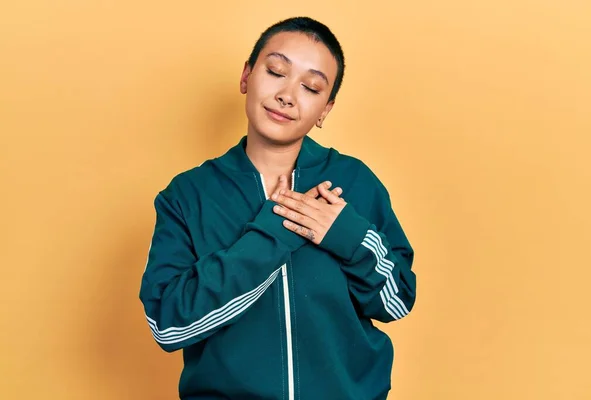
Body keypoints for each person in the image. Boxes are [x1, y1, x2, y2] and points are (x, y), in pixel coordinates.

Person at [139, 16, 416, 400]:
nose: (288, 94)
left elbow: (397, 300)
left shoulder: (353, 182)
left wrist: (347, 235)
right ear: (246, 77)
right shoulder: (188, 195)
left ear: (325, 109)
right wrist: (274, 234)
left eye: (311, 86)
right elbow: (169, 326)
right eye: (275, 72)